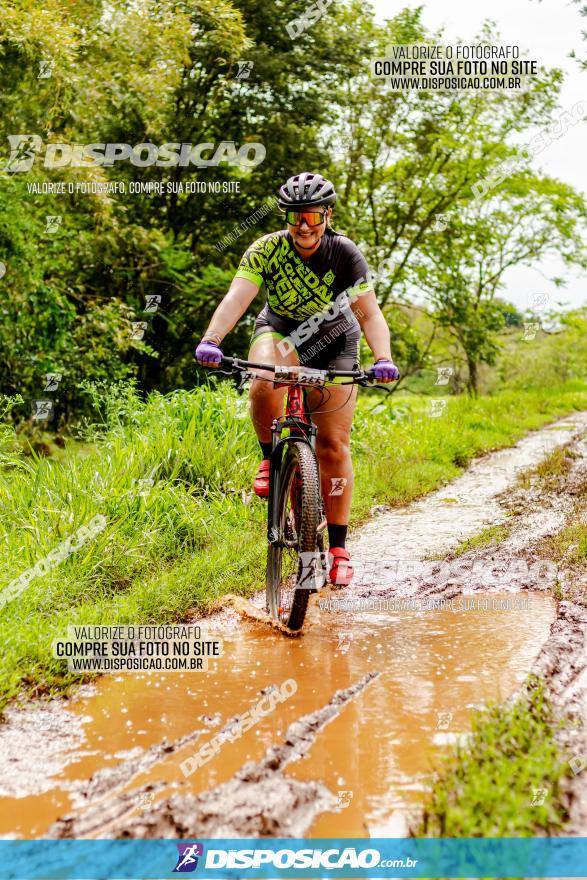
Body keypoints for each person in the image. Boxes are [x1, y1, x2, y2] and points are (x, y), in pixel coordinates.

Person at [195, 172, 399, 586]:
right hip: (281, 333)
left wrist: (383, 357)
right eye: (294, 217)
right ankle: (271, 459)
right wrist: (212, 339)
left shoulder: (345, 253)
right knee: (262, 378)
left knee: (332, 444)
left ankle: (339, 549)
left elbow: (370, 312)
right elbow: (237, 297)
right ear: (285, 217)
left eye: (311, 216)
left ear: (326, 215)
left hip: (335, 340)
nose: (303, 226)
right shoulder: (265, 249)